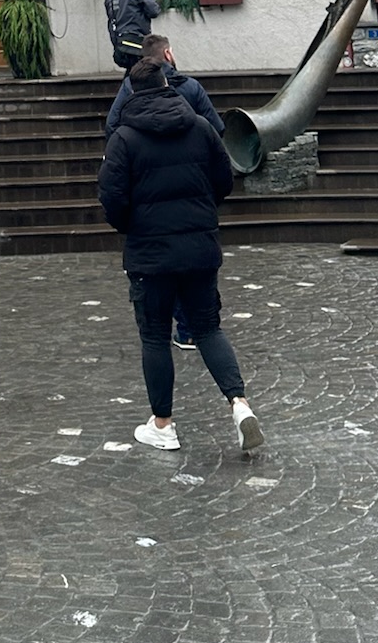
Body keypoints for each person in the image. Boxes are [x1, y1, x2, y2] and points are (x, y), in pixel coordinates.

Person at [98, 57, 263, 457]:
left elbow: (112, 198)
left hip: (150, 253)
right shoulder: (201, 127)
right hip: (199, 246)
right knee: (207, 328)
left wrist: (131, 227)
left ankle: (163, 425)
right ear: (167, 84)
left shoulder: (123, 138)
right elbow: (224, 180)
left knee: (155, 336)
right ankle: (239, 404)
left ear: (132, 92)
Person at [104, 34, 222, 352]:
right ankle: (192, 329)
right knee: (193, 268)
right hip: (193, 202)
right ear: (168, 54)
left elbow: (112, 126)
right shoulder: (191, 89)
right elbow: (217, 131)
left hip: (149, 208)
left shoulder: (130, 90)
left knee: (161, 277)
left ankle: (172, 330)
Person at [105, 33, 223, 139]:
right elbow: (216, 127)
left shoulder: (130, 85)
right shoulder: (191, 86)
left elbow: (112, 124)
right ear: (167, 54)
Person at [105, 0, 164, 70]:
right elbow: (154, 11)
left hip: (119, 41)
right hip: (136, 39)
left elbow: (110, 15)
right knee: (146, 71)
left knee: (133, 73)